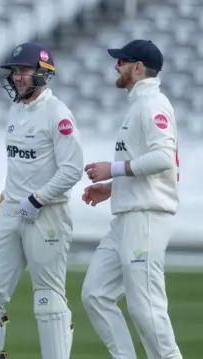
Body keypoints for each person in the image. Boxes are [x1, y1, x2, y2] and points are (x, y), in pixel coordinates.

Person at [0, 42, 83, 359]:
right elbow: (19, 169)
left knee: (47, 301)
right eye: (15, 72)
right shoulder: (15, 109)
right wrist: (0, 208)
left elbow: (73, 169)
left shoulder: (58, 114)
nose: (17, 78)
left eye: (24, 71)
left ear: (43, 75)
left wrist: (37, 199)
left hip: (47, 215)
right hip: (10, 212)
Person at [81, 39, 182, 359]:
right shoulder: (139, 105)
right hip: (127, 214)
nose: (116, 66)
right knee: (95, 294)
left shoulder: (153, 104)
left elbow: (164, 158)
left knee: (146, 307)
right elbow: (148, 167)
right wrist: (113, 188)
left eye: (121, 61)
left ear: (137, 68)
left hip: (147, 217)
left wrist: (110, 170)